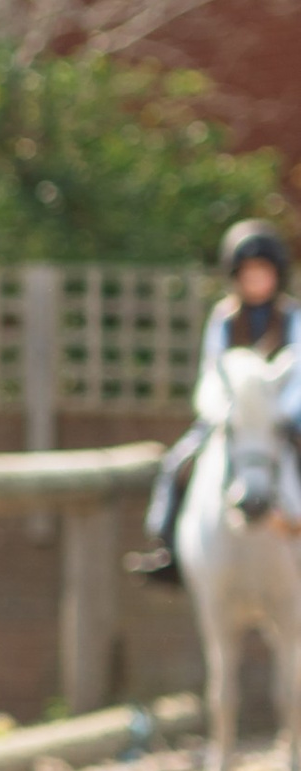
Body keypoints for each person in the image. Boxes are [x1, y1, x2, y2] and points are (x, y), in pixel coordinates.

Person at [131, 220, 295, 585]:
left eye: (262, 273)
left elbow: (297, 373)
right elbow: (212, 371)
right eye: (248, 274)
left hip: (279, 417)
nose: (255, 281)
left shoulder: (292, 318)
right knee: (179, 463)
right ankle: (166, 545)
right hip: (231, 416)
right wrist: (221, 412)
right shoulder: (224, 318)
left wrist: (282, 414)